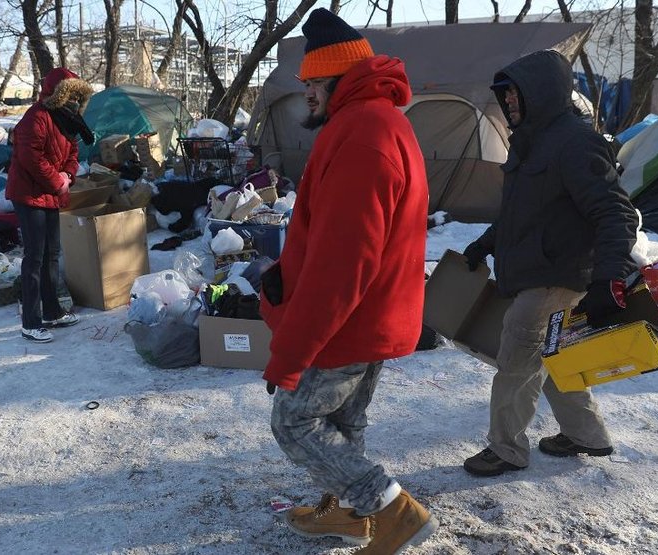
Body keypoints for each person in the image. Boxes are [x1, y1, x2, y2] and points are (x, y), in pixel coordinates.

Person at [259, 8, 437, 553]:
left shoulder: (361, 134)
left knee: (294, 422)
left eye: (313, 82)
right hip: (372, 312)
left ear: (337, 78)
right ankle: (352, 514)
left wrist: (291, 353)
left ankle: (388, 507)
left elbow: (345, 263)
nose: (306, 92)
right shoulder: (374, 123)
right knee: (342, 419)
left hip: (349, 318)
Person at [461, 50, 640, 477]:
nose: (508, 104)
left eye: (515, 96)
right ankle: (587, 435)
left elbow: (616, 212)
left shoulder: (575, 142)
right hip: (539, 270)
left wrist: (609, 277)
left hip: (556, 275)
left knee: (517, 363)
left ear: (540, 93)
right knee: (557, 357)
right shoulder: (532, 142)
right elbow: (522, 213)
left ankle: (505, 449)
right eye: (504, 98)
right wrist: (486, 243)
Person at [6, 67, 95, 343]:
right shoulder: (37, 117)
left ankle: (52, 311)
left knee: (52, 254)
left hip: (52, 193)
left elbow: (73, 152)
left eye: (77, 95)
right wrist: (57, 181)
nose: (74, 100)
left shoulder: (69, 119)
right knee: (34, 257)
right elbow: (29, 156)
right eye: (69, 94)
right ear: (57, 94)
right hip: (29, 194)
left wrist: (68, 175)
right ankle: (31, 322)